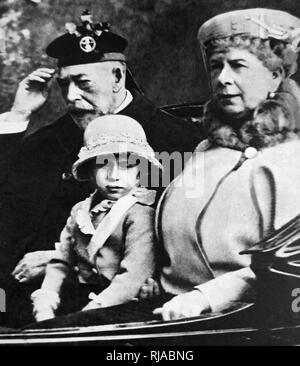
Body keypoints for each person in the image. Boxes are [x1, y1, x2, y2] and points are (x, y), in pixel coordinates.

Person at [0, 11, 204, 326]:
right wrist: (18, 114)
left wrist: (64, 260)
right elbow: (8, 198)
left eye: (83, 83)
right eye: (63, 84)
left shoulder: (179, 140)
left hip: (121, 308)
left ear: (118, 77)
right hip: (32, 301)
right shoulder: (49, 141)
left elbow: (187, 238)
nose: (70, 97)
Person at [151, 8, 300, 320]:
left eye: (238, 65)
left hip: (244, 320)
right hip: (167, 308)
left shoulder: (290, 158)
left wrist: (205, 296)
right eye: (216, 66)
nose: (222, 79)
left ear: (275, 75)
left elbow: (288, 265)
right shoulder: (206, 148)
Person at [30, 114, 160, 322]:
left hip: (119, 304)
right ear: (89, 170)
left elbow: (132, 277)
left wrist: (87, 314)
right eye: (103, 165)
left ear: (139, 172)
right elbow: (61, 260)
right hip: (81, 296)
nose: (114, 175)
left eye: (127, 165)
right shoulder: (80, 211)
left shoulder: (139, 214)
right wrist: (46, 298)